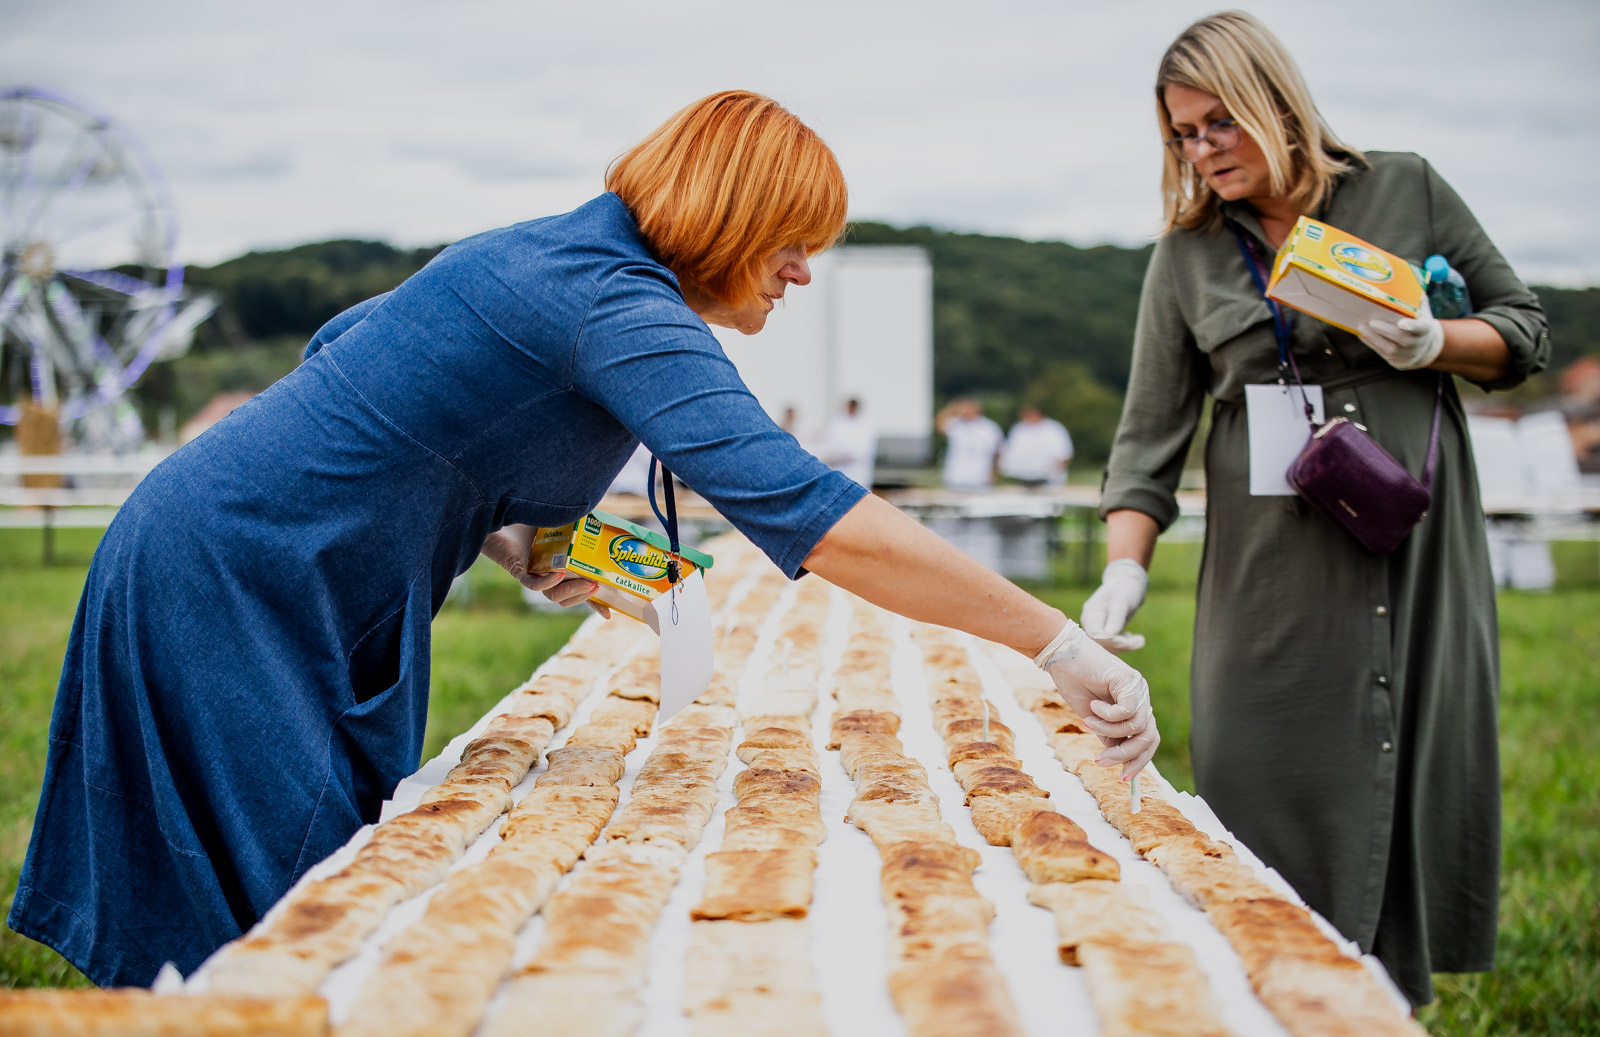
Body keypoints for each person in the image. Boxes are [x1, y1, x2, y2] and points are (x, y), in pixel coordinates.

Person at [11, 90, 1159, 988]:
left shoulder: (546, 253)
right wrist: (1058, 642)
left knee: (296, 907)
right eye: (792, 241)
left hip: (236, 555)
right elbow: (811, 510)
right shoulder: (613, 301)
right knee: (300, 930)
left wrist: (518, 531)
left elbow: (351, 347)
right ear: (732, 214)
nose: (805, 271)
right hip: (233, 580)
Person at [1086, 12, 1548, 1007]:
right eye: (1180, 134)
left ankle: (1385, 1010)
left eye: (1218, 124)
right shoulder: (1187, 256)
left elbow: (1522, 331)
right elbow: (1146, 437)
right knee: (1259, 776)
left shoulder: (1406, 186)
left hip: (1413, 544)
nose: (1201, 150)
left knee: (1403, 767)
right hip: (1271, 568)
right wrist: (1123, 566)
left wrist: (1434, 342)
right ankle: (1274, 1005)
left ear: (1274, 104)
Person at [937, 398, 1003, 489]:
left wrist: (995, 473)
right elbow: (939, 424)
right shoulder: (956, 424)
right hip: (955, 477)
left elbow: (998, 452)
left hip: (980, 479)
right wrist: (952, 408)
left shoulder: (989, 428)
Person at [1000, 405, 1074, 487]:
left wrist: (1056, 473)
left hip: (1048, 479)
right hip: (1022, 478)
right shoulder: (1019, 429)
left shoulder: (1053, 429)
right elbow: (1009, 451)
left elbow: (1065, 453)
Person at [818, 396, 877, 488]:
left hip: (857, 470)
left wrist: (849, 455)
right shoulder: (838, 422)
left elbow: (864, 449)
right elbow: (831, 443)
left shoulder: (865, 425)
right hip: (839, 467)